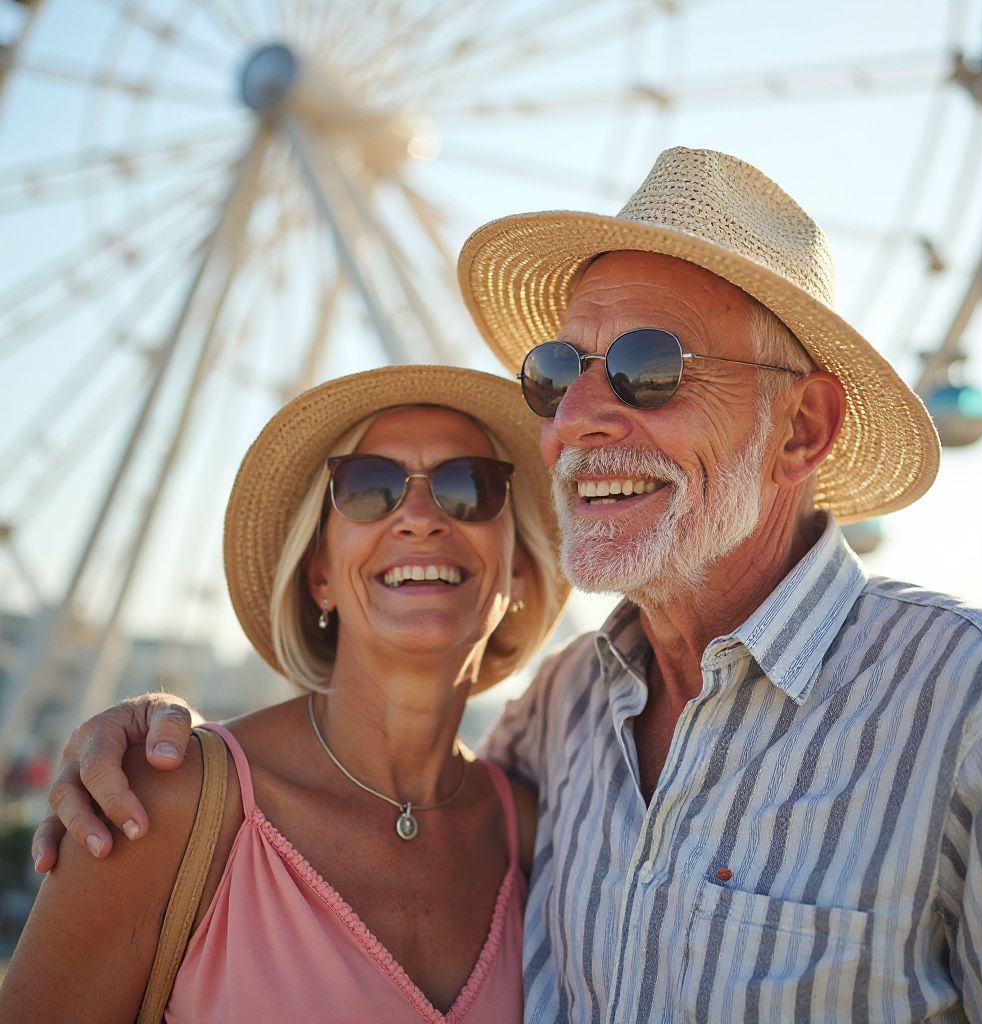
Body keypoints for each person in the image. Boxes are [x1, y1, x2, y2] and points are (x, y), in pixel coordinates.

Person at [30, 148, 982, 1021]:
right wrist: (147, 731)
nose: (577, 416)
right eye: (555, 371)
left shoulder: (971, 704)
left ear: (803, 428)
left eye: (646, 366)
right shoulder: (563, 718)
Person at [0, 364, 569, 1022]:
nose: (419, 518)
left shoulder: (532, 831)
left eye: (468, 486)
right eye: (368, 486)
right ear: (320, 575)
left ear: (522, 571)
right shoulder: (164, 802)